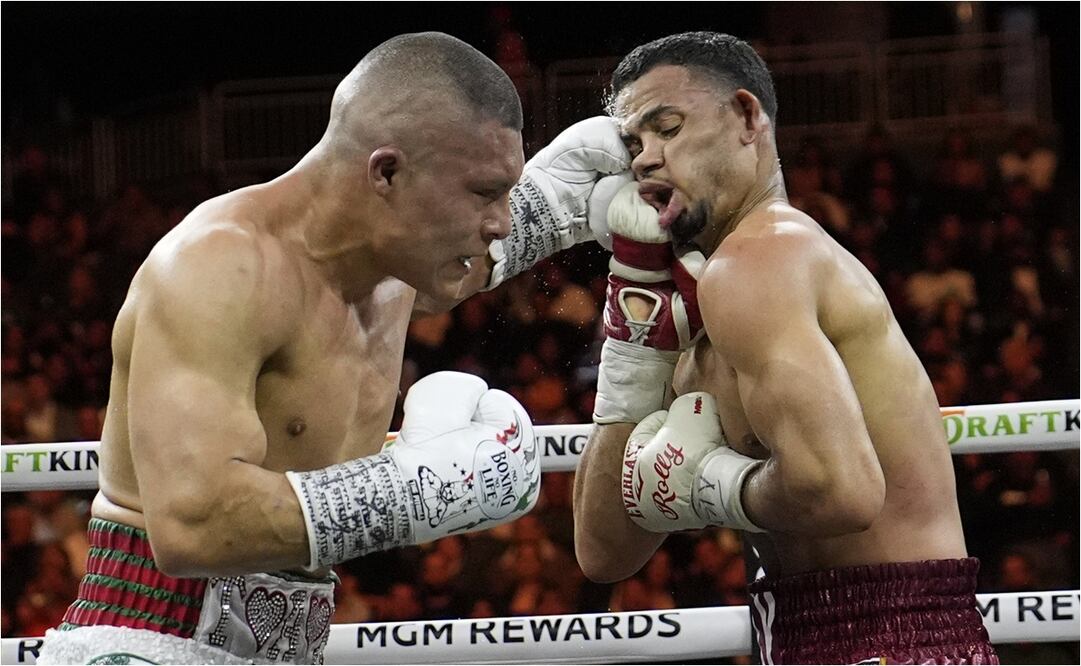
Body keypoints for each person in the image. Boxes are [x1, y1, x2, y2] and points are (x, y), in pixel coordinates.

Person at [39, 32, 631, 665]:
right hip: (149, 644)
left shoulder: (398, 263)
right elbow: (191, 525)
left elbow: (488, 248)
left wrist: (570, 190)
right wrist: (414, 491)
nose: (502, 220)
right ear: (386, 171)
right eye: (486, 193)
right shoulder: (221, 269)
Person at [572, 32, 998, 664]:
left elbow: (844, 492)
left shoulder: (765, 256)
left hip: (889, 637)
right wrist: (636, 343)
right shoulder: (701, 314)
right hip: (805, 633)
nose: (643, 160)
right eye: (634, 143)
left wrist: (719, 489)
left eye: (667, 128)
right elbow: (603, 552)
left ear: (748, 118)